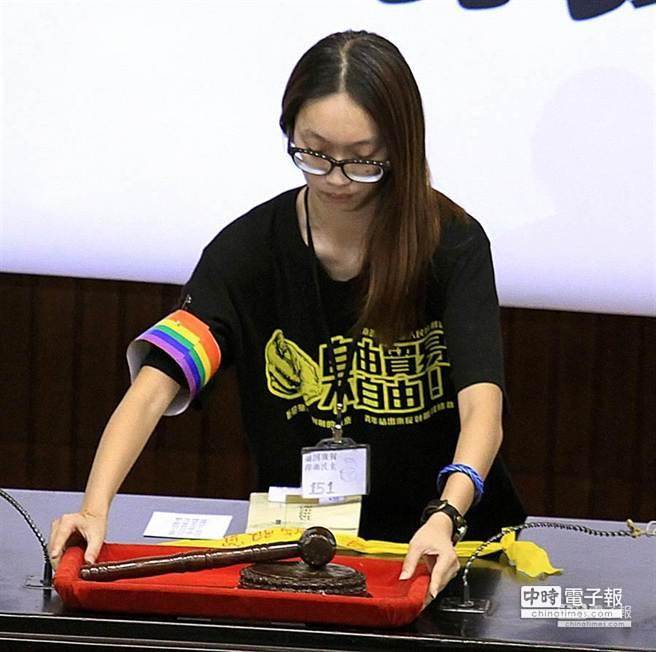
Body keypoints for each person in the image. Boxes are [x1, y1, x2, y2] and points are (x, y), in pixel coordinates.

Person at [48, 30, 525, 600]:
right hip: (307, 554)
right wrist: (93, 508)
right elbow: (155, 386)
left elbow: (482, 408)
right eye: (314, 153)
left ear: (400, 147)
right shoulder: (249, 251)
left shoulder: (451, 244)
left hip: (449, 545)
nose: (336, 179)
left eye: (362, 160)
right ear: (289, 131)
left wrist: (446, 514)